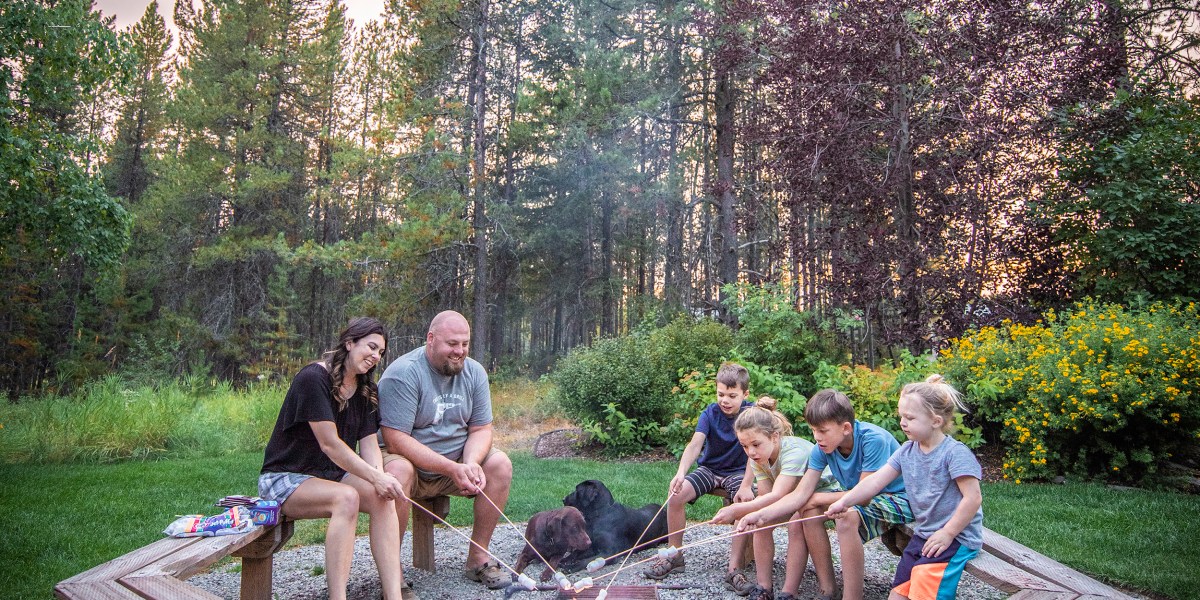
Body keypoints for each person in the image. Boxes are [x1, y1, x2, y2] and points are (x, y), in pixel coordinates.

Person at [258, 317, 411, 600]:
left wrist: (381, 477)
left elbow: (368, 445)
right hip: (286, 476)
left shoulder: (367, 390)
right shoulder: (313, 379)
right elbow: (330, 445)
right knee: (347, 498)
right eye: (371, 347)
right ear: (349, 342)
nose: (376, 356)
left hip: (329, 473)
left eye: (381, 352)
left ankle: (394, 595)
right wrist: (375, 476)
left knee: (383, 497)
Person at [378, 310, 513, 590]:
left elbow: (480, 429)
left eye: (464, 344)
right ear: (431, 339)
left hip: (455, 464)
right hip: (409, 464)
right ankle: (393, 576)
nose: (459, 351)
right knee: (397, 470)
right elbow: (395, 439)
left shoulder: (475, 372)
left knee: (500, 464)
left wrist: (471, 463)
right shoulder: (404, 373)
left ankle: (478, 558)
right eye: (452, 343)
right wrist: (452, 468)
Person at [739, 389, 914, 600]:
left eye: (822, 430)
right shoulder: (822, 448)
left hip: (900, 498)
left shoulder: (872, 439)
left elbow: (865, 494)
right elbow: (800, 495)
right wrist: (760, 515)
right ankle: (828, 589)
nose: (817, 437)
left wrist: (816, 498)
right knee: (809, 507)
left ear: (846, 428)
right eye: (813, 430)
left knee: (845, 517)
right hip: (864, 497)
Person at [826, 375, 983, 600]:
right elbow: (875, 481)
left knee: (924, 593)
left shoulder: (954, 454)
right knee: (898, 592)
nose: (902, 423)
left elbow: (973, 498)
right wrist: (844, 502)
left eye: (910, 417)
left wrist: (948, 533)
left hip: (956, 537)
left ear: (936, 421)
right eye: (901, 416)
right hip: (925, 533)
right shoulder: (908, 450)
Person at [642, 362, 755, 595]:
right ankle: (675, 556)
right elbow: (695, 444)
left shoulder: (752, 414)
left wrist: (746, 485)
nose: (725, 400)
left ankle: (734, 569)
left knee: (743, 504)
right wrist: (681, 473)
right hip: (710, 470)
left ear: (745, 394)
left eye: (732, 395)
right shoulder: (710, 413)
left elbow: (757, 455)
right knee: (676, 495)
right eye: (720, 394)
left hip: (738, 473)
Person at [710, 396, 836, 600]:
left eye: (755, 444)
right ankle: (764, 588)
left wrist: (737, 510)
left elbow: (779, 494)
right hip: (793, 499)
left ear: (775, 437)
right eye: (744, 446)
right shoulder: (757, 458)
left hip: (822, 493)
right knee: (761, 522)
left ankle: (789, 591)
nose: (750, 452)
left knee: (796, 522)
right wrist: (754, 513)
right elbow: (767, 496)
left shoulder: (793, 452)